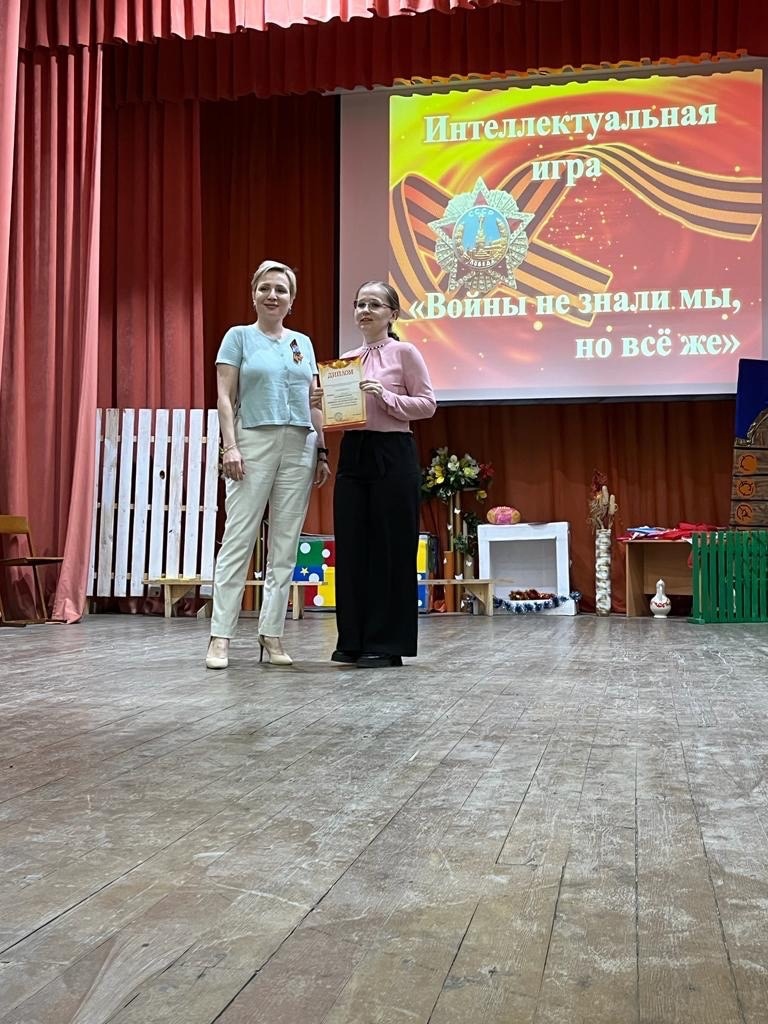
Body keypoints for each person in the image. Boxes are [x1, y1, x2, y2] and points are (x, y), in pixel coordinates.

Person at [206, 260, 330, 669]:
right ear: (254, 294)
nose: (272, 296)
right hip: (252, 442)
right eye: (265, 288)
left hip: (300, 445)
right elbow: (224, 397)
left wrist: (322, 449)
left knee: (285, 546)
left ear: (292, 300)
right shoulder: (238, 337)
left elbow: (315, 401)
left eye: (281, 290)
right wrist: (230, 447)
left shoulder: (303, 343)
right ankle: (220, 636)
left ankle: (271, 632)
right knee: (238, 540)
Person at [331, 281, 436, 668]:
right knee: (353, 546)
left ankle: (387, 642)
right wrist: (322, 402)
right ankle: (353, 639)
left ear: (393, 314)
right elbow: (339, 416)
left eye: (374, 304)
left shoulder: (405, 352)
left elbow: (427, 404)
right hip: (354, 453)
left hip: (392, 452)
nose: (365, 311)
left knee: (391, 549)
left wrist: (385, 396)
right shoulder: (346, 360)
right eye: (360, 304)